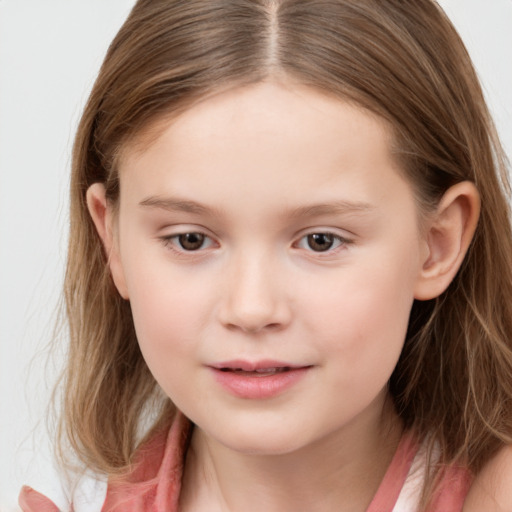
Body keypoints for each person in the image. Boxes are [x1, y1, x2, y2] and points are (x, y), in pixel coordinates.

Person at [19, 0, 512, 510]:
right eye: (190, 239)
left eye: (321, 240)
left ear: (437, 243)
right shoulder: (72, 497)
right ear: (112, 240)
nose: (251, 308)